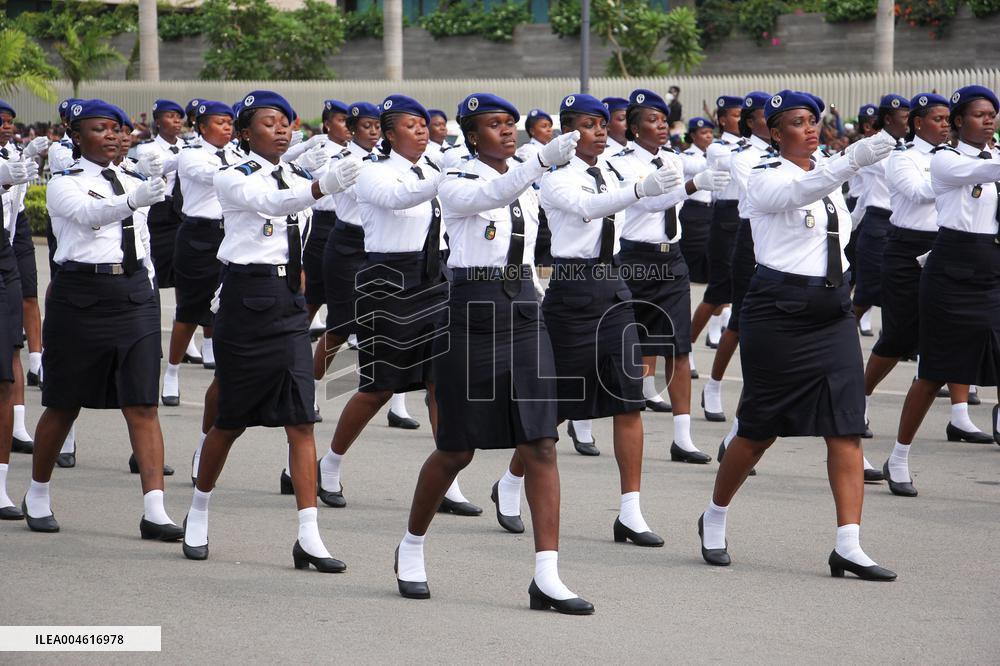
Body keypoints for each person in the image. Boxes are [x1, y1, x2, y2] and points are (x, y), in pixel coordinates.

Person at [394, 92, 592, 614]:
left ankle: (546, 575)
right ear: (470, 133)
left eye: (511, 124)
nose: (508, 131)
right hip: (472, 314)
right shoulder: (456, 177)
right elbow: (492, 195)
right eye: (494, 125)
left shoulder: (526, 176)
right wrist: (539, 161)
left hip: (524, 312)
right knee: (457, 449)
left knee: (541, 443)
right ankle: (412, 544)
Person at [696, 90, 898, 581]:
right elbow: (796, 196)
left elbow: (837, 228)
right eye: (797, 122)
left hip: (831, 311)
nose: (810, 129)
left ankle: (848, 545)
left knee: (846, 426)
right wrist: (850, 159)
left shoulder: (825, 170)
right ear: (773, 130)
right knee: (759, 429)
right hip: (779, 310)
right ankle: (715, 514)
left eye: (814, 121)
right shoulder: (764, 176)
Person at [181, 90, 360, 570]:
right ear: (243, 133)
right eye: (268, 122)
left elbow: (296, 217)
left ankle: (309, 534)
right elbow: (275, 204)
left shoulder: (296, 173)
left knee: (301, 420)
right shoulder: (232, 175)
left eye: (285, 121)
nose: (282, 129)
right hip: (246, 302)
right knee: (232, 419)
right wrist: (321, 187)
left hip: (287, 303)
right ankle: (198, 509)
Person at [500, 93, 679, 548]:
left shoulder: (617, 169)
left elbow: (652, 204)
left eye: (603, 124)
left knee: (629, 399)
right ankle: (510, 481)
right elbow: (589, 208)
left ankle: (631, 512)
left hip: (614, 286)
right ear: (567, 131)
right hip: (571, 292)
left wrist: (683, 184)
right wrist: (641, 189)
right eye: (587, 124)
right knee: (554, 407)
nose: (599, 131)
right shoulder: (557, 180)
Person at [315, 95, 479, 516]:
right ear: (389, 134)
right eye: (411, 125)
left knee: (440, 385)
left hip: (433, 281)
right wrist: (445, 176)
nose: (422, 131)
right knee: (378, 388)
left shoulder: (430, 168)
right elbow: (398, 199)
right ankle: (329, 465)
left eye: (425, 124)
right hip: (387, 284)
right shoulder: (372, 172)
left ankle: (448, 481)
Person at [25, 99, 181, 539]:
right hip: (81, 296)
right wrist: (134, 198)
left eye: (117, 128)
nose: (112, 135)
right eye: (99, 129)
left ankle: (155, 509)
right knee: (63, 403)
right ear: (76, 137)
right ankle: (37, 492)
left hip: (132, 295)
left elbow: (145, 237)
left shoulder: (135, 178)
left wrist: (146, 283)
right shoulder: (63, 183)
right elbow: (91, 216)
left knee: (142, 404)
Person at [881, 86, 1000, 497]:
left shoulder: (994, 158)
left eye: (992, 115)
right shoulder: (946, 160)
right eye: (980, 114)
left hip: (992, 265)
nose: (988, 120)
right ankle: (898, 456)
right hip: (951, 268)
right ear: (959, 120)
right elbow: (979, 174)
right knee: (932, 372)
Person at [862, 92, 990, 451]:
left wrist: (966, 169)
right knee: (899, 335)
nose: (945, 125)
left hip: (948, 245)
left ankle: (960, 415)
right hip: (907, 247)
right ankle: (859, 399)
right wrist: (957, 174)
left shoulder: (962, 158)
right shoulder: (902, 157)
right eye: (937, 119)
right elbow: (918, 193)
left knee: (956, 334)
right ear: (918, 124)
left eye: (948, 119)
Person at [609, 89, 729, 464]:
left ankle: (683, 437)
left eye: (664, 120)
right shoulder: (622, 163)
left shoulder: (673, 160)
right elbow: (650, 201)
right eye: (652, 120)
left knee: (679, 347)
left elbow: (686, 182)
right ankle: (581, 420)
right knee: (626, 345)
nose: (661, 126)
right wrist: (693, 186)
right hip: (635, 258)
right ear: (633, 128)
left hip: (670, 259)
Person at [160, 101, 240, 407]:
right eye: (220, 123)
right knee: (190, 310)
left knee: (228, 308)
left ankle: (225, 376)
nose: (227, 128)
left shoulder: (235, 154)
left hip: (230, 233)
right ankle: (172, 372)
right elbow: (218, 177)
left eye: (230, 123)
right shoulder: (191, 155)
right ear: (203, 127)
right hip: (199, 236)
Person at [702, 92, 770, 435]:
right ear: (749, 122)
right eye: (763, 116)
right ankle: (713, 385)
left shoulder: (794, 153)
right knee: (739, 318)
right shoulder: (740, 155)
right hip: (748, 235)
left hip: (780, 240)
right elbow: (760, 193)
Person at [0, 99, 39, 520]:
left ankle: (1, 483)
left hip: (4, 254)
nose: (7, 128)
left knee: (10, 351)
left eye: (11, 122)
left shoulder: (13, 158)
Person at [688, 96, 745, 371]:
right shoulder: (719, 148)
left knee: (743, 294)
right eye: (736, 115)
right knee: (716, 292)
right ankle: (684, 348)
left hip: (750, 217)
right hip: (726, 219)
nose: (741, 118)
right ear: (722, 120)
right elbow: (736, 164)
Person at [851, 95, 911, 339]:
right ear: (888, 119)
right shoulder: (874, 146)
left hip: (899, 223)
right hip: (878, 222)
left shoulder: (905, 146)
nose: (909, 122)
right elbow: (899, 178)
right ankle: (838, 334)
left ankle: (898, 339)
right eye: (905, 117)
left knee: (899, 290)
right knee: (867, 292)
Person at [677, 117, 716, 286]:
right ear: (693, 136)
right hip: (692, 209)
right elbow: (703, 168)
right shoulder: (687, 156)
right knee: (693, 249)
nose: (709, 136)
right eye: (704, 133)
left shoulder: (712, 154)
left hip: (711, 209)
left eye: (710, 133)